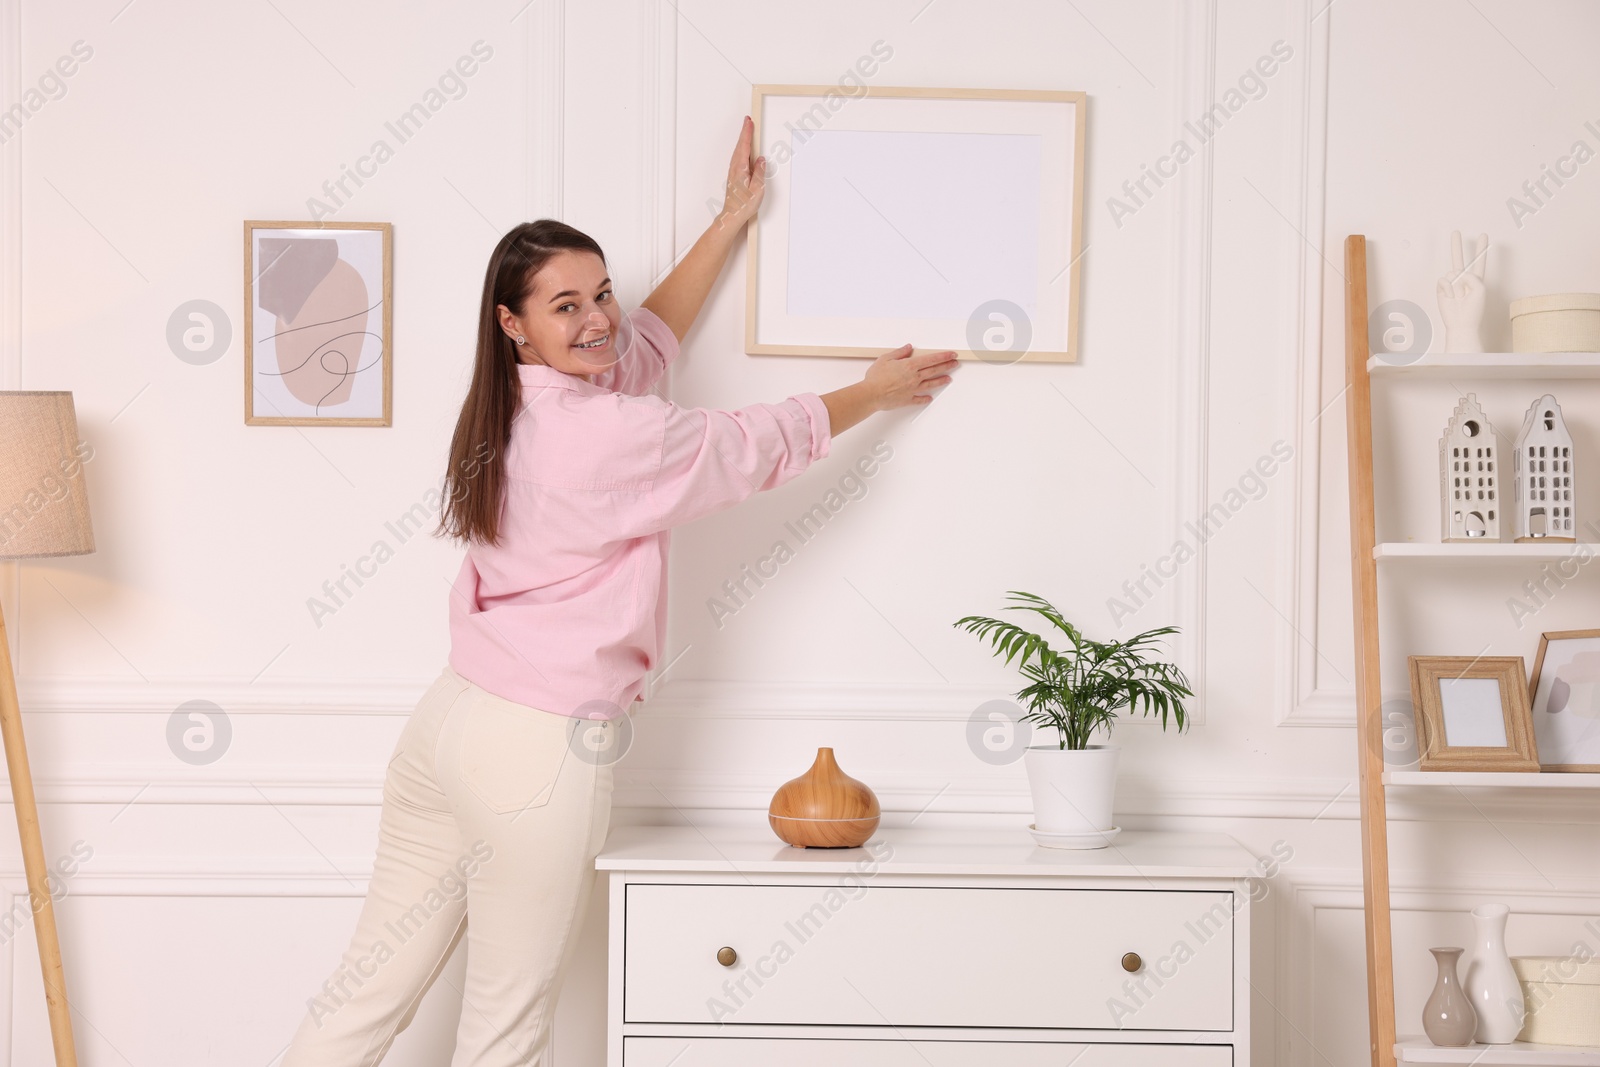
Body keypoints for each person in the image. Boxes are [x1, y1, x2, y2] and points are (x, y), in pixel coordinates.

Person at [279, 115, 958, 1066]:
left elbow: (648, 335)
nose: (597, 317)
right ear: (514, 321)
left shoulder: (518, 397)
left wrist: (728, 223)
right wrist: (871, 392)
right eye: (566, 305)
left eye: (600, 292)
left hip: (449, 721)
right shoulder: (607, 434)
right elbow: (747, 444)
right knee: (507, 1025)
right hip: (535, 746)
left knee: (363, 997)